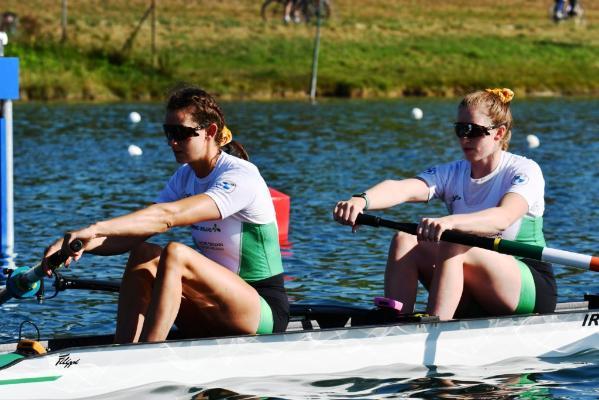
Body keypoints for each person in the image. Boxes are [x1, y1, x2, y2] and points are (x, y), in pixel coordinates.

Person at [43, 86, 289, 342]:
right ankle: (124, 348)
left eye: (181, 133)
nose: (172, 142)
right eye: (168, 132)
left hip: (261, 309)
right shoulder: (184, 176)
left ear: (210, 132)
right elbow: (135, 232)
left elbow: (165, 217)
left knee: (176, 253)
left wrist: (95, 227)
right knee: (144, 253)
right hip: (214, 305)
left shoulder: (240, 176)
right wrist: (77, 244)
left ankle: (149, 354)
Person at [333, 88, 557, 321]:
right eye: (460, 129)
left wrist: (449, 223)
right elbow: (402, 188)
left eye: (473, 131)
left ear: (499, 133)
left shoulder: (524, 170)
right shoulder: (453, 173)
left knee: (453, 241)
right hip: (475, 284)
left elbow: (503, 217)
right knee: (405, 239)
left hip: (529, 285)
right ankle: (394, 322)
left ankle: (435, 325)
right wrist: (361, 200)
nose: (464, 138)